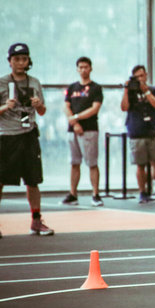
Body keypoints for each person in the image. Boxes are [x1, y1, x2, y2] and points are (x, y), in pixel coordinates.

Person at [0, 43, 52, 238]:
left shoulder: (35, 83)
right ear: (10, 61)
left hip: (29, 135)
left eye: (24, 59)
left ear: (29, 60)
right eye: (16, 59)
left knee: (33, 180)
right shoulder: (0, 83)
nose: (20, 63)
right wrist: (5, 107)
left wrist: (38, 105)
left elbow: (42, 111)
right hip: (8, 137)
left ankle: (36, 220)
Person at [121, 65, 155, 204]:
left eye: (142, 76)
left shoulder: (153, 90)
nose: (140, 79)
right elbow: (124, 107)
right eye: (137, 77)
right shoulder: (130, 92)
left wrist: (146, 91)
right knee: (140, 164)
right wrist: (126, 90)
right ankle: (143, 192)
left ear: (146, 75)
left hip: (151, 130)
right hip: (136, 131)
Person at [61, 56, 103, 207]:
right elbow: (66, 106)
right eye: (80, 67)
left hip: (89, 130)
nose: (83, 70)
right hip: (73, 130)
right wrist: (74, 122)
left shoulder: (96, 88)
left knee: (92, 163)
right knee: (74, 163)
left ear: (90, 68)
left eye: (86, 67)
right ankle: (73, 194)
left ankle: (95, 194)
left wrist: (77, 118)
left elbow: (94, 108)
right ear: (77, 69)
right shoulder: (72, 87)